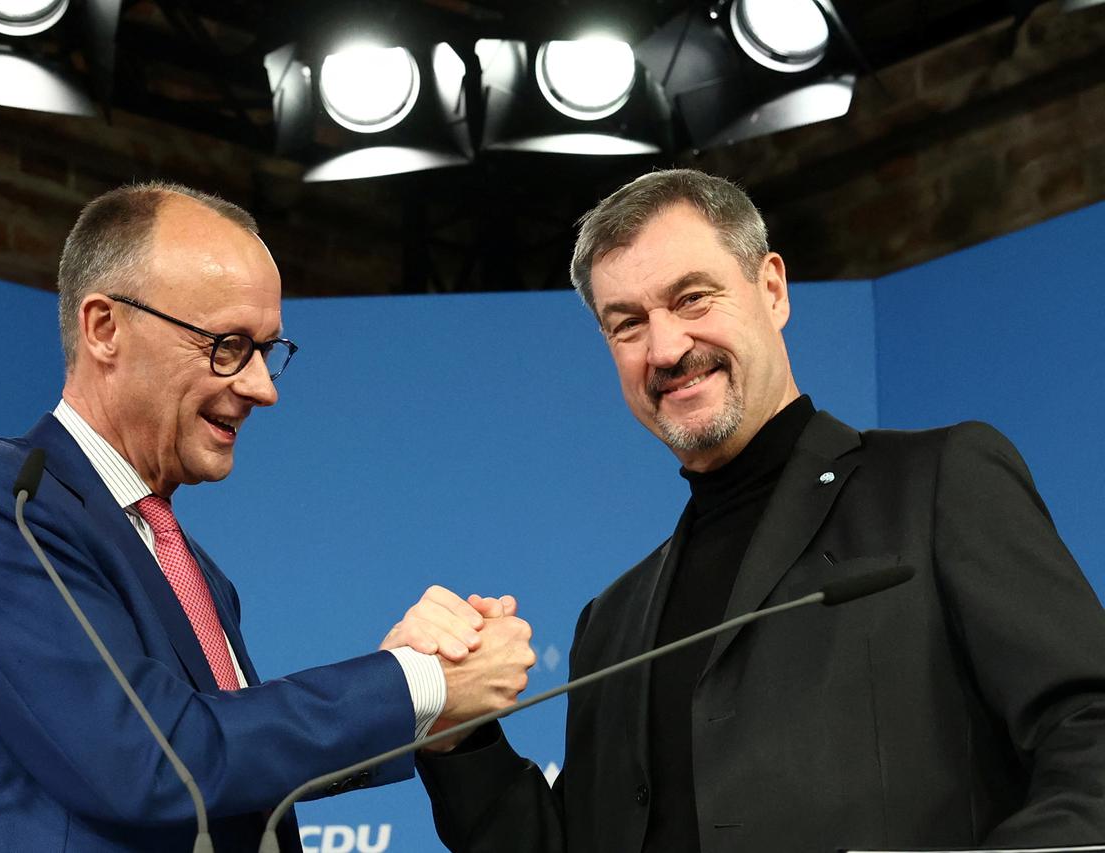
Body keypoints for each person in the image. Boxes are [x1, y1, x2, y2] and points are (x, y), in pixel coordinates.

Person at [417, 169, 1105, 852]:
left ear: (771, 289)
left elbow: (1090, 731)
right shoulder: (612, 623)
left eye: (691, 298)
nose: (665, 348)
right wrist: (457, 734)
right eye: (626, 324)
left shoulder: (938, 483)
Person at [0, 182, 536, 853]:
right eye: (227, 345)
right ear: (105, 327)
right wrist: (412, 682)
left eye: (268, 351)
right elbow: (151, 759)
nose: (261, 386)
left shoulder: (197, 572)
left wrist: (423, 695)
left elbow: (226, 768)